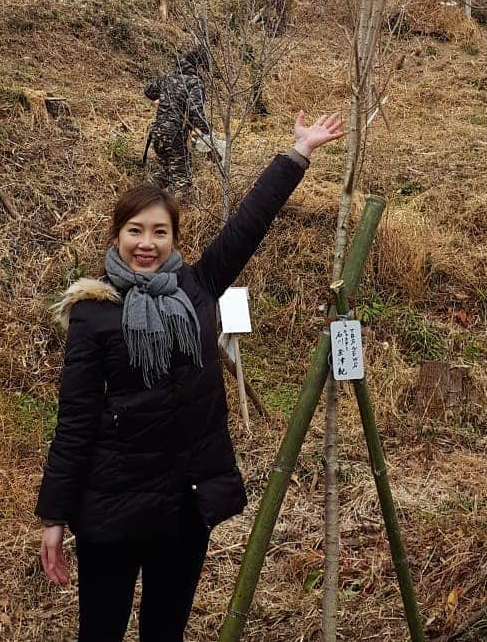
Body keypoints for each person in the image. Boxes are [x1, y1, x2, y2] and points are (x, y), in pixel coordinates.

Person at [35, 111, 344, 642]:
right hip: (111, 509)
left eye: (160, 231)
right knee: (100, 632)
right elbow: (75, 421)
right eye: (136, 231)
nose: (147, 243)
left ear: (175, 239)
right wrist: (54, 516)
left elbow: (248, 225)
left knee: (166, 633)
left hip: (182, 507)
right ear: (118, 236)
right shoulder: (94, 312)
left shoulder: (197, 289)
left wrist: (298, 153)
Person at [143, 48, 212, 192]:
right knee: (182, 185)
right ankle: (171, 212)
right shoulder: (194, 83)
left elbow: (149, 91)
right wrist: (207, 131)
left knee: (165, 174)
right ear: (199, 65)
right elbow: (195, 110)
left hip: (157, 134)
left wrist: (161, 99)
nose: (204, 74)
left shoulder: (166, 78)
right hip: (174, 136)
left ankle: (143, 196)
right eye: (204, 69)